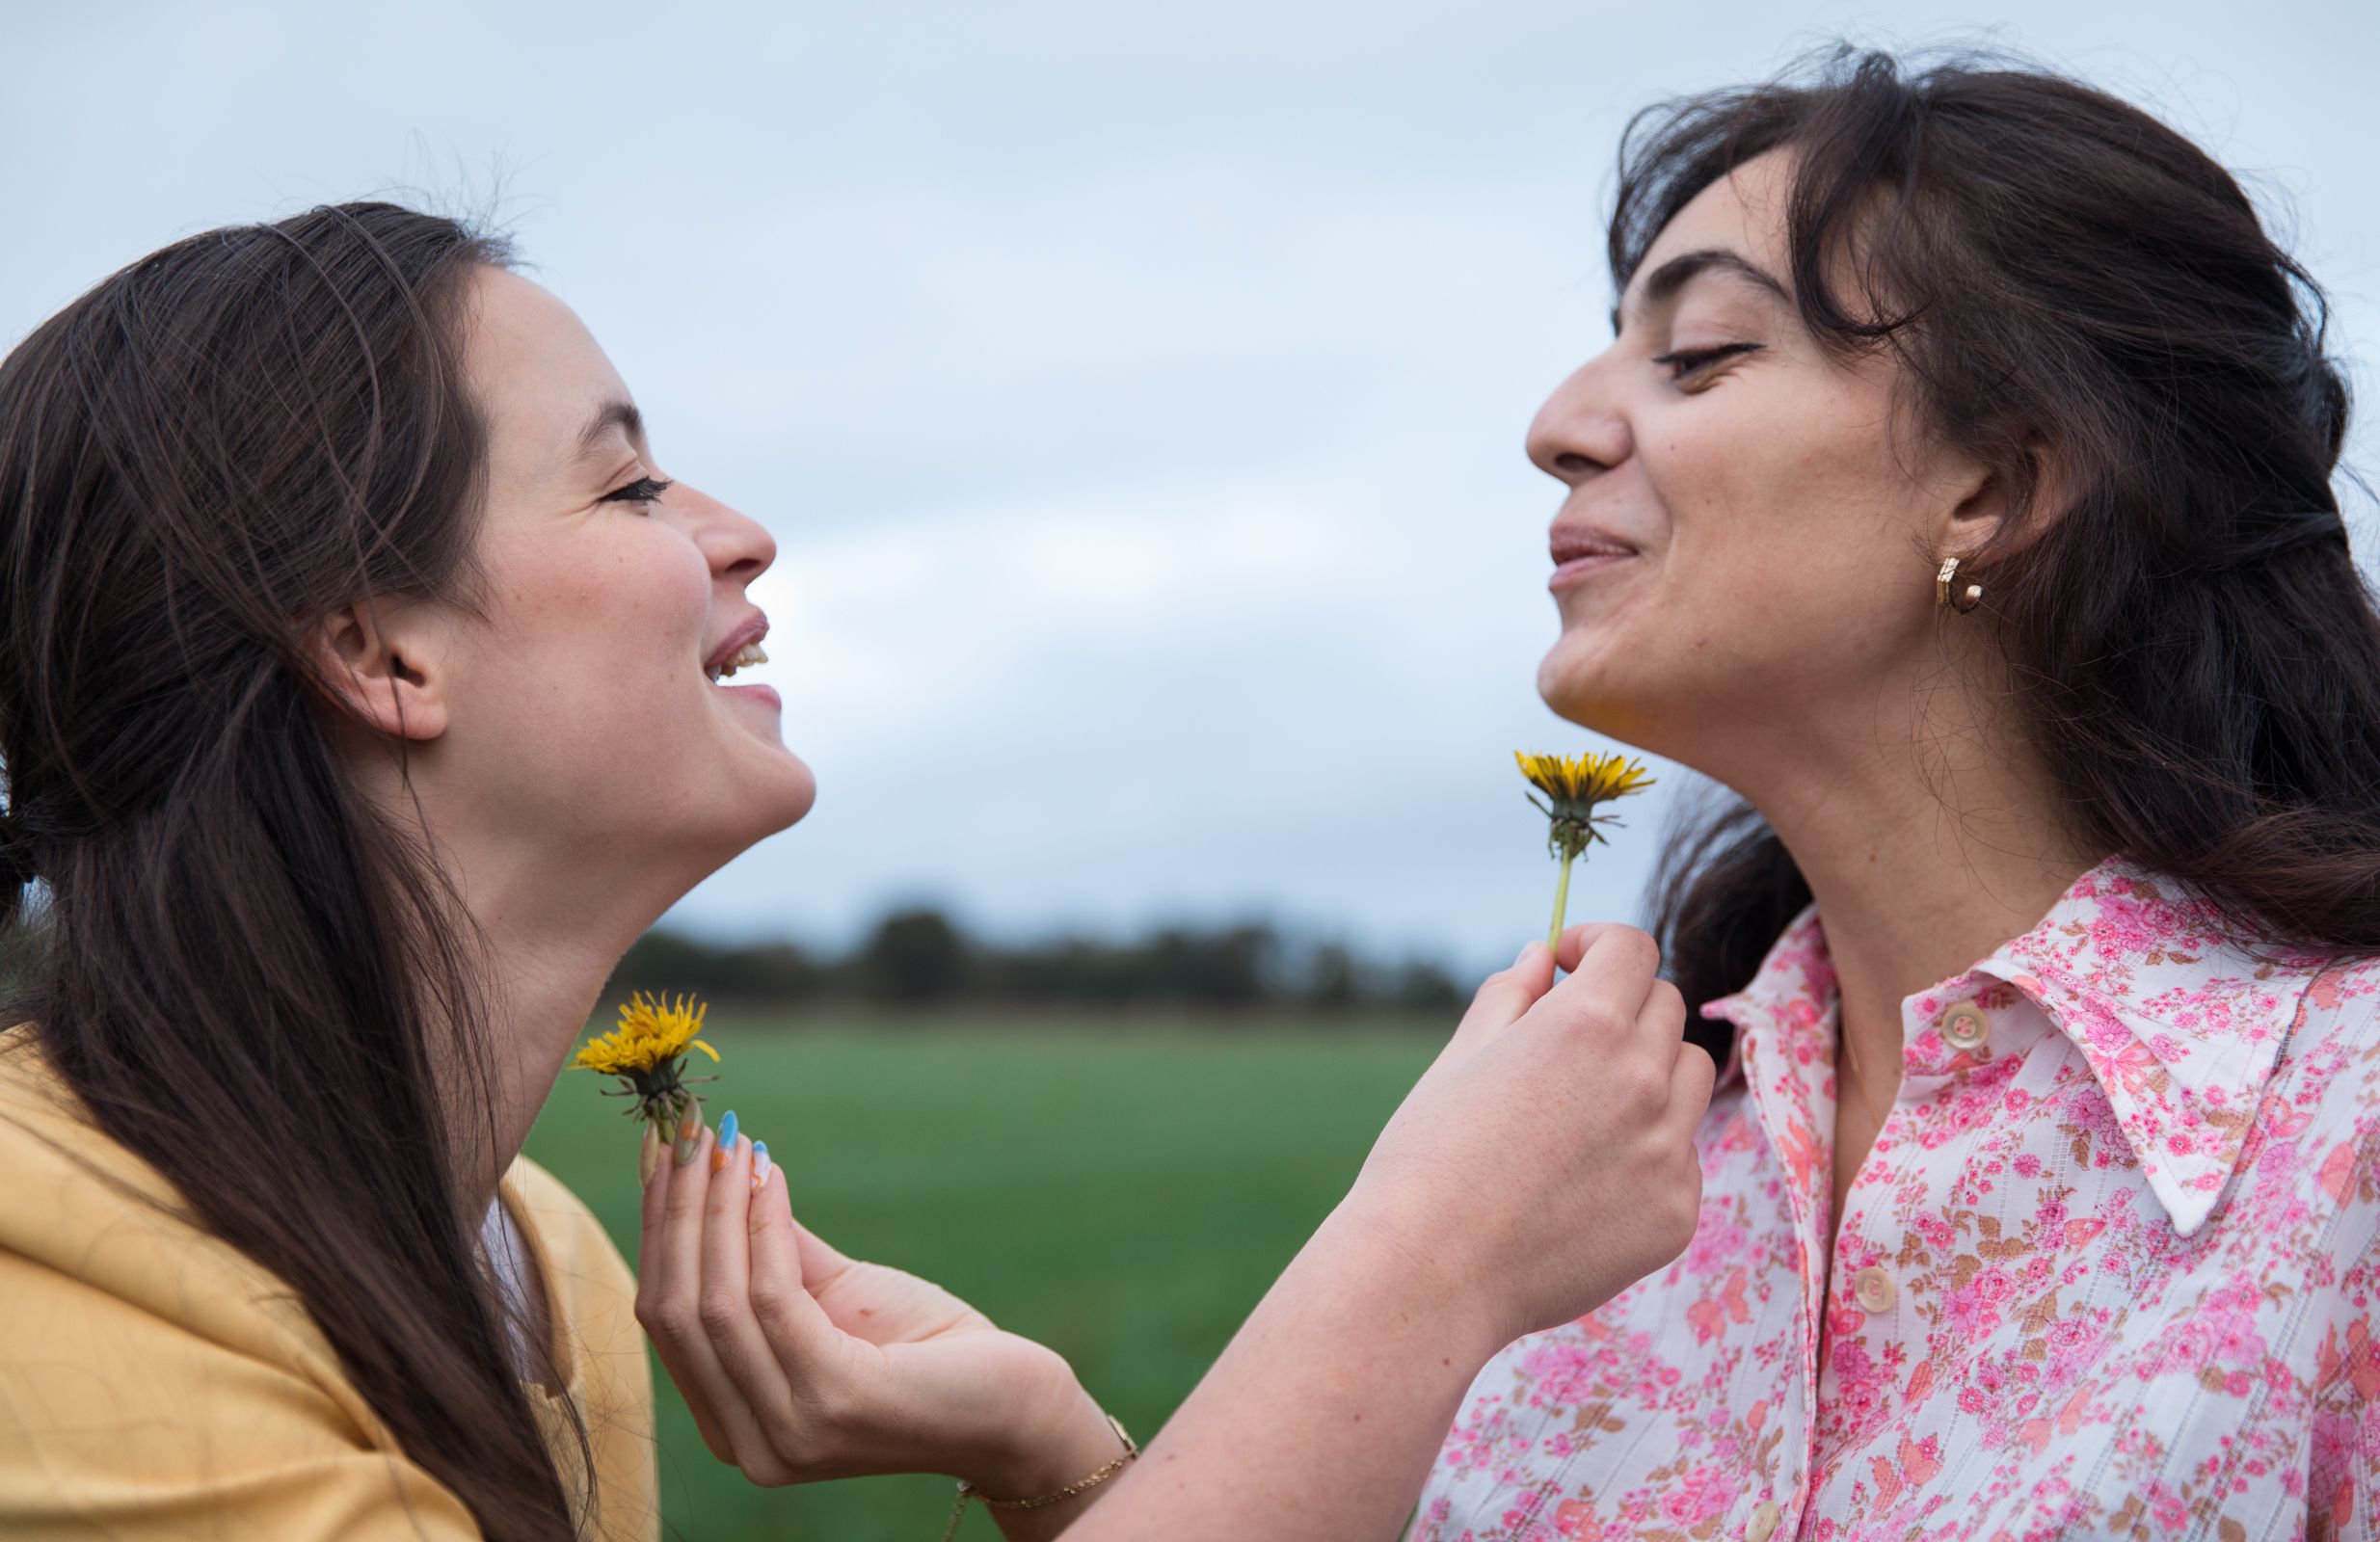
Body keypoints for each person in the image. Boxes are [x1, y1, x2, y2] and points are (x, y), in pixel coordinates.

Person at [638, 38, 2380, 1542]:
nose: (1558, 422)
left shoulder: (2344, 1151)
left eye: (1698, 358)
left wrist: (1419, 1256)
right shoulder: (1604, 1157)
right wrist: (1054, 1458)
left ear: (1994, 485)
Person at [0, 200, 1709, 1539]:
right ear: (381, 652)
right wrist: (1423, 1261)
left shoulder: (529, 1260)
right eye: (625, 483)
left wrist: (1046, 1456)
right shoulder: (46, 1276)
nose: (736, 530)